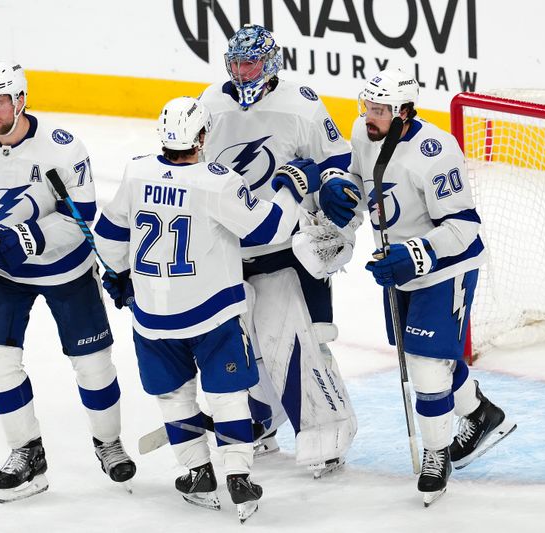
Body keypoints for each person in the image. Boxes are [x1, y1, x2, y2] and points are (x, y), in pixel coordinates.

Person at [92, 96, 320, 522]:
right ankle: (237, 474)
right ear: (202, 136)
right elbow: (270, 229)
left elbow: (106, 236)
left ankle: (197, 472)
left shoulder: (137, 170)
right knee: (228, 394)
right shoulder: (217, 180)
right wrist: (291, 185)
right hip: (210, 314)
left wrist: (121, 275)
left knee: (174, 394)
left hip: (152, 319)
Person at [0, 61, 135, 503]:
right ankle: (26, 453)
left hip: (67, 271)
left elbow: (83, 221)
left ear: (21, 99)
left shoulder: (63, 150)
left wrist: (27, 238)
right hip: (2, 274)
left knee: (94, 365)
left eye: (0, 100)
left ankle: (108, 442)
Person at [319, 68, 517, 505]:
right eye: (366, 106)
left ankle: (437, 454)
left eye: (381, 110)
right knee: (421, 353)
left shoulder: (436, 151)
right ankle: (482, 415)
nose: (370, 116)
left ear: (405, 112)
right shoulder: (362, 131)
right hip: (398, 266)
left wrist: (416, 253)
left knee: (427, 365)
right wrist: (339, 194)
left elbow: (464, 227)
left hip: (445, 267)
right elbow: (361, 182)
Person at [198, 23, 358, 477]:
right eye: (235, 64)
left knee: (293, 338)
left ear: (270, 65)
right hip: (229, 246)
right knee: (240, 340)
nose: (242, 73)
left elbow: (338, 163)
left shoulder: (300, 105)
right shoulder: (210, 104)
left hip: (284, 243)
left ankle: (327, 430)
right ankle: (260, 419)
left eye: (250, 64)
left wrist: (328, 191)